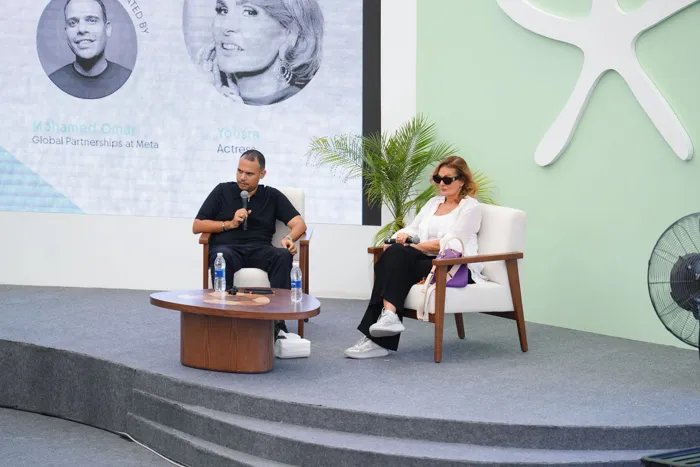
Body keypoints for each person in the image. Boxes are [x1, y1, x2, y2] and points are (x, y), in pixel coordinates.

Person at [344, 156, 487, 359]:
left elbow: (452, 243)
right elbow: (414, 228)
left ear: (462, 180)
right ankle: (388, 318)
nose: (441, 183)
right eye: (438, 178)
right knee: (393, 253)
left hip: (453, 266)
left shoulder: (470, 207)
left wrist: (414, 245)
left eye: (447, 179)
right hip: (427, 260)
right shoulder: (434, 203)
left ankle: (379, 337)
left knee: (394, 261)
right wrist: (399, 237)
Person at [192, 149, 307, 333]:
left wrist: (289, 238)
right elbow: (197, 225)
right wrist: (229, 224)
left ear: (262, 174)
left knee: (283, 255)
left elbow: (299, 223)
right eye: (239, 171)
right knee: (221, 256)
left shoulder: (271, 196)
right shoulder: (222, 191)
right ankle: (225, 317)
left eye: (249, 173)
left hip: (260, 249)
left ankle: (277, 321)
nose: (242, 177)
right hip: (228, 249)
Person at [195, 0, 324, 105]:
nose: (226, 26)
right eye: (223, 10)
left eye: (249, 12)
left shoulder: (308, 106)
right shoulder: (206, 96)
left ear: (290, 33)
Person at [49, 0, 132, 99]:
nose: (81, 29)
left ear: (107, 29)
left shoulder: (132, 81)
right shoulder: (50, 85)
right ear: (66, 33)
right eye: (72, 23)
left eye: (92, 20)